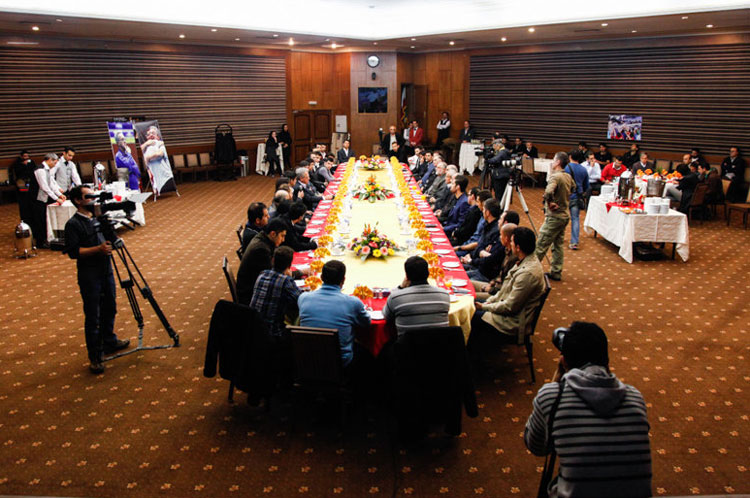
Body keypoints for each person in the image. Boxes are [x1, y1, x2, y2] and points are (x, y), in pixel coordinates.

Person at [524, 322, 652, 498]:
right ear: (606, 360)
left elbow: (536, 446)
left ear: (564, 361)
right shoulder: (635, 397)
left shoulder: (552, 396)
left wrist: (557, 382)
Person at [64, 186, 130, 374]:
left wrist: (115, 241)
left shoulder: (97, 219)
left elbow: (111, 239)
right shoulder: (73, 224)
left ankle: (109, 341)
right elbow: (74, 252)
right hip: (89, 274)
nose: (93, 199)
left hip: (106, 270)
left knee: (110, 306)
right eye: (89, 196)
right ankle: (95, 356)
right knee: (93, 315)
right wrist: (98, 250)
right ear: (78, 200)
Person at [469, 226, 545, 348]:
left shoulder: (528, 274)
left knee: (469, 315)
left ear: (518, 247)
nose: (510, 244)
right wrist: (489, 302)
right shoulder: (525, 259)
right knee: (469, 305)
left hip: (511, 321)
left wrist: (484, 306)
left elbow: (510, 307)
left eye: (512, 242)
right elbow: (504, 290)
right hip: (504, 307)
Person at [298, 260, 371, 369]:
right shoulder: (352, 303)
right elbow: (366, 323)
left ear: (321, 277)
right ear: (343, 280)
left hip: (308, 360)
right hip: (339, 362)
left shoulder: (303, 298)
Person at [382, 256, 450, 336]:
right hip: (439, 342)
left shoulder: (396, 298)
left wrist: (400, 287)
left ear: (407, 277)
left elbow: (386, 317)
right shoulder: (444, 295)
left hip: (407, 343)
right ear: (428, 273)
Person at [535, 152, 574, 281]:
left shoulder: (555, 177)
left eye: (553, 159)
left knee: (540, 245)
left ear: (558, 162)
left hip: (554, 217)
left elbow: (548, 192)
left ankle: (530, 272)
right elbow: (574, 188)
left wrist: (550, 202)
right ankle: (556, 271)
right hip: (564, 215)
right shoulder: (568, 176)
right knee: (558, 245)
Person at [250, 246, 302, 341]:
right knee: (298, 317)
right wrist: (289, 277)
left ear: (273, 260)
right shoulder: (285, 281)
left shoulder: (262, 274)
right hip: (273, 335)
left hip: (253, 330)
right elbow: (301, 301)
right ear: (289, 266)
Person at [236, 218, 288, 305]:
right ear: (273, 234)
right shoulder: (261, 249)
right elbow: (273, 276)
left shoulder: (263, 237)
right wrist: (297, 273)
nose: (283, 240)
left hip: (252, 286)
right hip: (250, 295)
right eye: (282, 236)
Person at [473, 222, 519, 300]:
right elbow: (500, 275)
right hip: (494, 285)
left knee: (469, 296)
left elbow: (505, 287)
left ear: (506, 238)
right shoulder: (506, 250)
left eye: (501, 235)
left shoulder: (513, 258)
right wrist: (492, 283)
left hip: (498, 294)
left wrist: (490, 289)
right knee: (466, 283)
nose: (500, 237)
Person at [461, 198, 501, 282]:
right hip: (476, 263)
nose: (482, 211)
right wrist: (471, 255)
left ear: (487, 212)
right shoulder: (487, 225)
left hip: (483, 273)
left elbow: (489, 258)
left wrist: (471, 260)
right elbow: (480, 246)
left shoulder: (495, 231)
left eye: (484, 209)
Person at [31, 153, 66, 248]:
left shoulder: (47, 170)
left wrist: (59, 194)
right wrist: (56, 198)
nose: (55, 165)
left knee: (44, 220)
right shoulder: (40, 170)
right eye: (55, 162)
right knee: (39, 221)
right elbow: (44, 187)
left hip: (43, 198)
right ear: (50, 160)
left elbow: (51, 184)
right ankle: (40, 242)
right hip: (36, 199)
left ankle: (45, 240)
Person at [565, 151, 589, 250]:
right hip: (577, 196)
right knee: (575, 219)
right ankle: (574, 242)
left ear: (570, 157)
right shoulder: (583, 169)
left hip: (565, 196)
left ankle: (558, 238)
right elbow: (586, 186)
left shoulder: (566, 168)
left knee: (561, 218)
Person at [140, 125, 173, 195]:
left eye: (153, 133)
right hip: (154, 176)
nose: (151, 135)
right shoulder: (146, 146)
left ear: (158, 137)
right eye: (149, 134)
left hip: (165, 176)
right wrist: (146, 144)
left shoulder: (160, 144)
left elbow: (159, 154)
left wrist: (148, 157)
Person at [10, 150, 36, 226]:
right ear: (21, 156)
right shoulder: (17, 164)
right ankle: (24, 219)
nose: (26, 158)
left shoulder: (31, 162)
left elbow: (34, 171)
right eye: (25, 156)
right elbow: (17, 173)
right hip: (21, 184)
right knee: (23, 202)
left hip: (30, 183)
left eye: (27, 156)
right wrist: (24, 166)